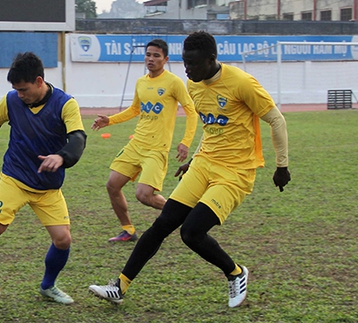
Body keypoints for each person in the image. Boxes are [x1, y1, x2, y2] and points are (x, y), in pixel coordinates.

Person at [88, 31, 291, 308]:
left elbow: (276, 121)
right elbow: (211, 129)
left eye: (193, 64)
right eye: (185, 63)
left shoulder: (242, 83)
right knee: (162, 225)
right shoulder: (194, 84)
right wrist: (194, 159)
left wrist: (282, 166)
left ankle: (235, 272)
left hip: (235, 172)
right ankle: (119, 286)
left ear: (211, 59)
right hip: (203, 165)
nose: (188, 69)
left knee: (191, 233)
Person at [0, 52, 87, 312]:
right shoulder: (11, 101)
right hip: (15, 179)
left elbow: (77, 138)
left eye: (24, 89)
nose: (20, 94)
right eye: (16, 90)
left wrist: (61, 157)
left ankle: (47, 286)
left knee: (63, 240)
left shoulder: (66, 104)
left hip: (48, 187)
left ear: (39, 81)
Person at [91, 38, 198, 242]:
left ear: (165, 59)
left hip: (157, 148)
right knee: (112, 185)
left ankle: (183, 214)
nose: (151, 59)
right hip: (136, 144)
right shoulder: (141, 82)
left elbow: (191, 111)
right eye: (148, 54)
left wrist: (185, 141)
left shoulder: (174, 82)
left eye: (156, 55)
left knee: (144, 195)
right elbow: (135, 109)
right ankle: (128, 230)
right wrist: (110, 121)